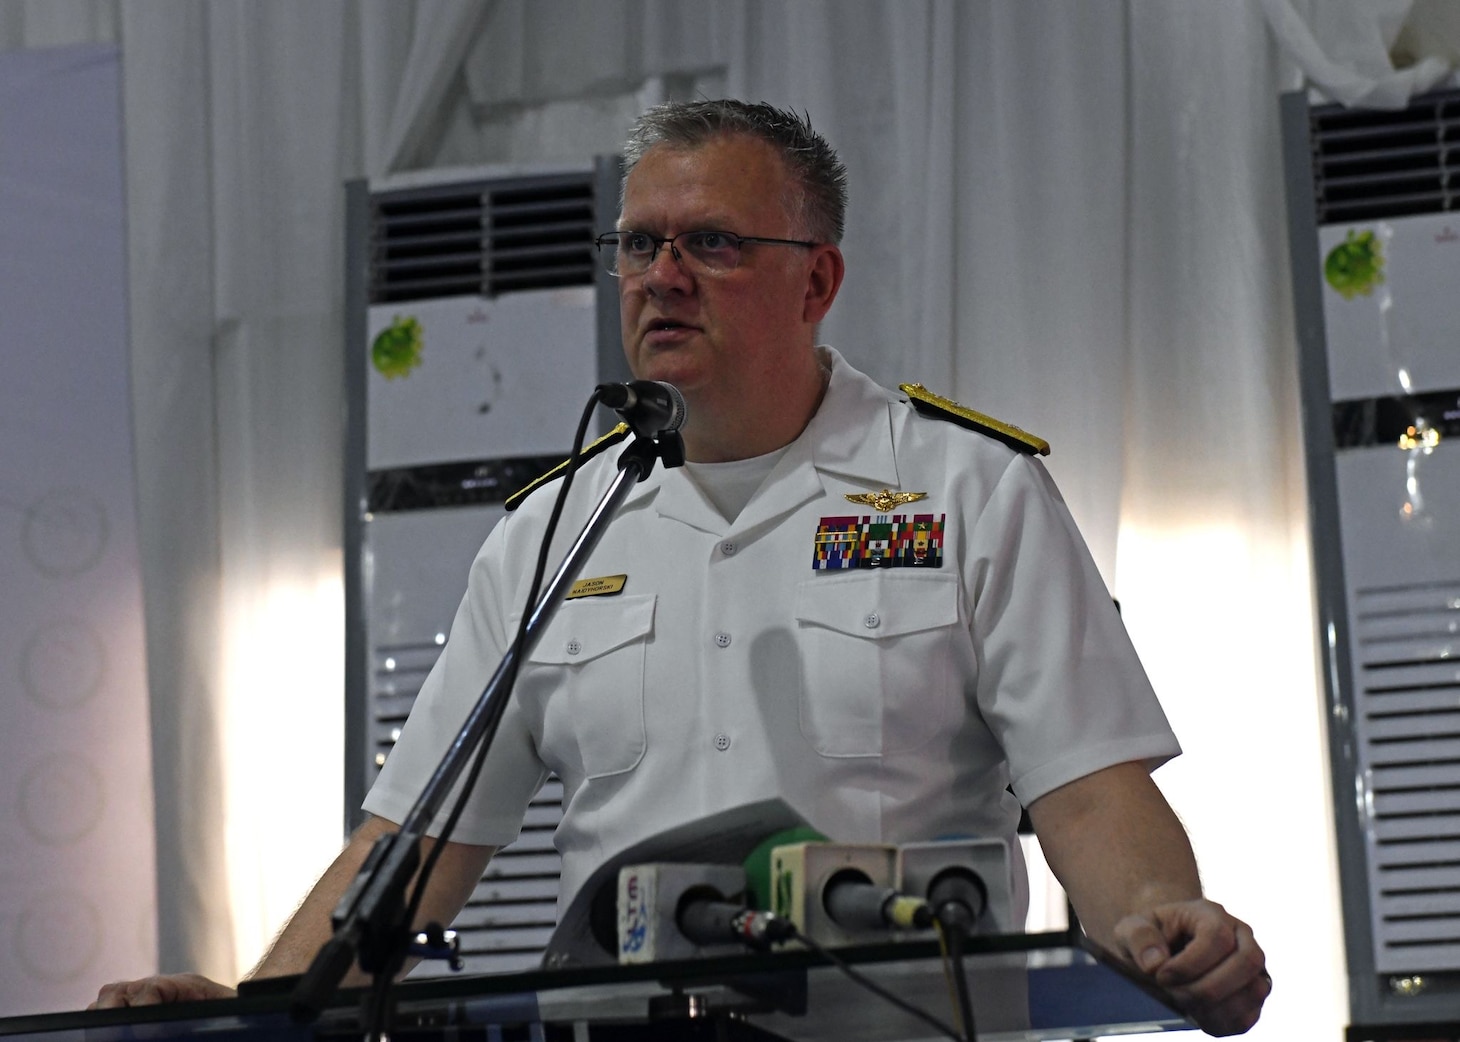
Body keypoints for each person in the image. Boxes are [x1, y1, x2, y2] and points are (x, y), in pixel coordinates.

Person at [94, 99, 1269, 1035]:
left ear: (816, 281)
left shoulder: (968, 492)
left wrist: (1166, 931)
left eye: (710, 243)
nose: (662, 276)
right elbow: (411, 846)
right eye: (639, 244)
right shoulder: (554, 530)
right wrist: (252, 1015)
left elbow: (1090, 790)